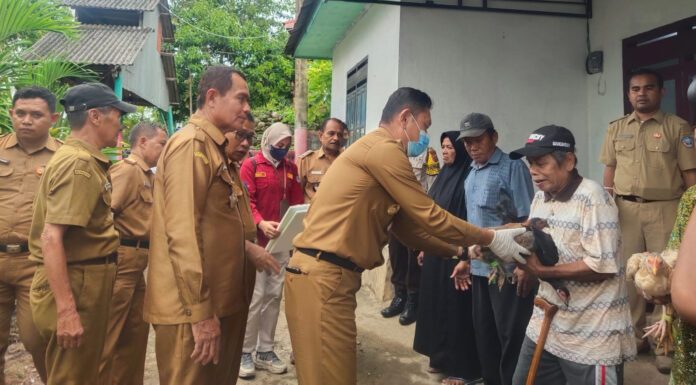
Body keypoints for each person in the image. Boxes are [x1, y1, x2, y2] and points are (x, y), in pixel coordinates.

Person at [284, 87, 530, 385]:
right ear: (405, 118)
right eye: (424, 126)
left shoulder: (378, 152)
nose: (424, 136)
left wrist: (465, 251)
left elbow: (408, 229)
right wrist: (491, 237)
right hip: (324, 275)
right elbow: (428, 214)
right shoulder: (384, 149)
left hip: (326, 275)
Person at [143, 66, 280, 385]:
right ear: (212, 97)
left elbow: (215, 225)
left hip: (216, 301)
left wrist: (247, 249)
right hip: (191, 310)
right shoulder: (191, 146)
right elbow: (181, 234)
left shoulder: (212, 149)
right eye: (241, 98)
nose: (247, 108)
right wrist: (201, 312)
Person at [504, 125, 635, 385]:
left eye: (541, 163)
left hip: (593, 334)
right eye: (531, 164)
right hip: (546, 322)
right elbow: (534, 236)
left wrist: (542, 272)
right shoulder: (541, 197)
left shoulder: (593, 198)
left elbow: (602, 265)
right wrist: (523, 267)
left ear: (569, 161)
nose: (533, 171)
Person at [28, 82, 136, 384]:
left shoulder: (79, 159)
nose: (120, 123)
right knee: (72, 377)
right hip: (77, 282)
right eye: (117, 115)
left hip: (84, 278)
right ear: (95, 116)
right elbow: (51, 238)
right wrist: (66, 311)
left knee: (84, 372)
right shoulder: (79, 164)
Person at [600, 68, 696, 371]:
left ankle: (663, 344)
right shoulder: (616, 128)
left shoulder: (677, 127)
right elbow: (609, 174)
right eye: (635, 89)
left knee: (665, 276)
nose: (641, 93)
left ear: (661, 92)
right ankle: (634, 338)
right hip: (626, 209)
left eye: (648, 88)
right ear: (629, 93)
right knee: (630, 276)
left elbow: (689, 177)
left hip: (665, 208)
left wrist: (690, 213)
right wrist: (607, 206)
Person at [458, 112, 535, 385]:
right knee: (485, 333)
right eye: (466, 142)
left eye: (477, 140)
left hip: (507, 268)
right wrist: (466, 260)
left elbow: (528, 221)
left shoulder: (513, 168)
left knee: (510, 335)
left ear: (494, 137)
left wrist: (526, 266)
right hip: (482, 267)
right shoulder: (471, 172)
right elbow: (472, 223)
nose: (471, 146)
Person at [98, 121, 168, 384]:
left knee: (135, 335)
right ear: (142, 142)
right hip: (123, 259)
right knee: (109, 335)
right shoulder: (127, 172)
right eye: (161, 142)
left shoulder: (148, 174)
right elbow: (104, 214)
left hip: (139, 263)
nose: (165, 148)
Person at [0, 87, 60, 383]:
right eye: (20, 113)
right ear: (11, 114)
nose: (26, 120)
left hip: (34, 264)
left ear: (53, 118)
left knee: (37, 339)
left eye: (36, 115)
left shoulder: (63, 157)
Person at [413, 131, 480, 385]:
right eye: (443, 147)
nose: (445, 151)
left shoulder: (467, 177)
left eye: (450, 147)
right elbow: (433, 213)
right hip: (436, 251)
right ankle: (438, 355)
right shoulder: (443, 175)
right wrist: (424, 246)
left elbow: (467, 220)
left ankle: (460, 365)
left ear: (460, 150)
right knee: (434, 302)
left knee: (455, 307)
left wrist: (465, 254)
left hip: (458, 252)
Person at [239, 122, 304, 378]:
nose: (284, 149)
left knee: (274, 296)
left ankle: (265, 349)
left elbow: (297, 202)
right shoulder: (251, 166)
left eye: (287, 145)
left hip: (280, 244)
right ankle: (245, 350)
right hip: (257, 244)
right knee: (255, 297)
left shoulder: (290, 169)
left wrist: (293, 233)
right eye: (280, 145)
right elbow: (247, 201)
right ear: (268, 142)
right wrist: (260, 223)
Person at [381, 148, 439, 325]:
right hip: (396, 213)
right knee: (396, 256)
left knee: (413, 261)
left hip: (416, 215)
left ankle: (413, 301)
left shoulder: (428, 153)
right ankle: (399, 297)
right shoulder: (393, 151)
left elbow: (432, 182)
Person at [297, 117, 347, 203]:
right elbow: (297, 194)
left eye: (339, 135)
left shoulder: (349, 160)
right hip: (314, 214)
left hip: (340, 214)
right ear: (320, 136)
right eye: (331, 134)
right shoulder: (306, 161)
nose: (336, 138)